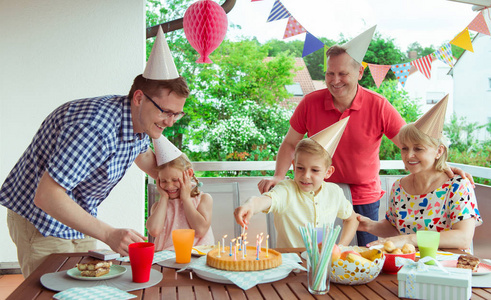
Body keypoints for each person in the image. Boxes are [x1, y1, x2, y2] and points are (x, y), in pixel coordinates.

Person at [257, 26, 472, 246]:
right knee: (317, 253)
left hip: (364, 198)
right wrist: (278, 176)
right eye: (330, 73)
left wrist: (442, 166)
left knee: (367, 255)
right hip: (319, 192)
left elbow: (413, 144)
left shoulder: (378, 105)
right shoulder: (309, 103)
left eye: (343, 73)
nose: (335, 80)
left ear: (359, 73)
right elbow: (290, 143)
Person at [0, 26, 188, 276]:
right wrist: (109, 234)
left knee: (87, 285)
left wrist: (181, 182)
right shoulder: (95, 129)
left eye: (177, 113)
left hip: (77, 216)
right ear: (139, 98)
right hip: (40, 220)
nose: (171, 121)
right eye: (166, 112)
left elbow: (143, 156)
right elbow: (46, 196)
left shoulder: (139, 123)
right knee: (52, 292)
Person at [357, 95, 482, 250]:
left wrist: (410, 239)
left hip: (447, 267)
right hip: (408, 266)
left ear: (439, 151)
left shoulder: (458, 185)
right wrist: (369, 225)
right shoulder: (399, 187)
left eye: (418, 148)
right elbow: (395, 229)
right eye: (405, 148)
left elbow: (463, 238)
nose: (409, 155)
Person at [235, 118, 359, 248]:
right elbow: (265, 200)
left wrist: (340, 247)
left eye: (315, 170)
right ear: (293, 165)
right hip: (291, 265)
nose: (306, 176)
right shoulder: (286, 190)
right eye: (300, 168)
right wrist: (251, 204)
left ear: (328, 172)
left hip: (323, 265)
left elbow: (352, 219)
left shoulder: (334, 193)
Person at [146, 136, 214, 251]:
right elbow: (154, 231)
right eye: (163, 181)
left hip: (196, 258)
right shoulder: (159, 206)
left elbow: (200, 231)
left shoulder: (203, 199)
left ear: (189, 174)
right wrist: (163, 197)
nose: (169, 186)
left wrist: (186, 199)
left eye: (175, 180)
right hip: (167, 261)